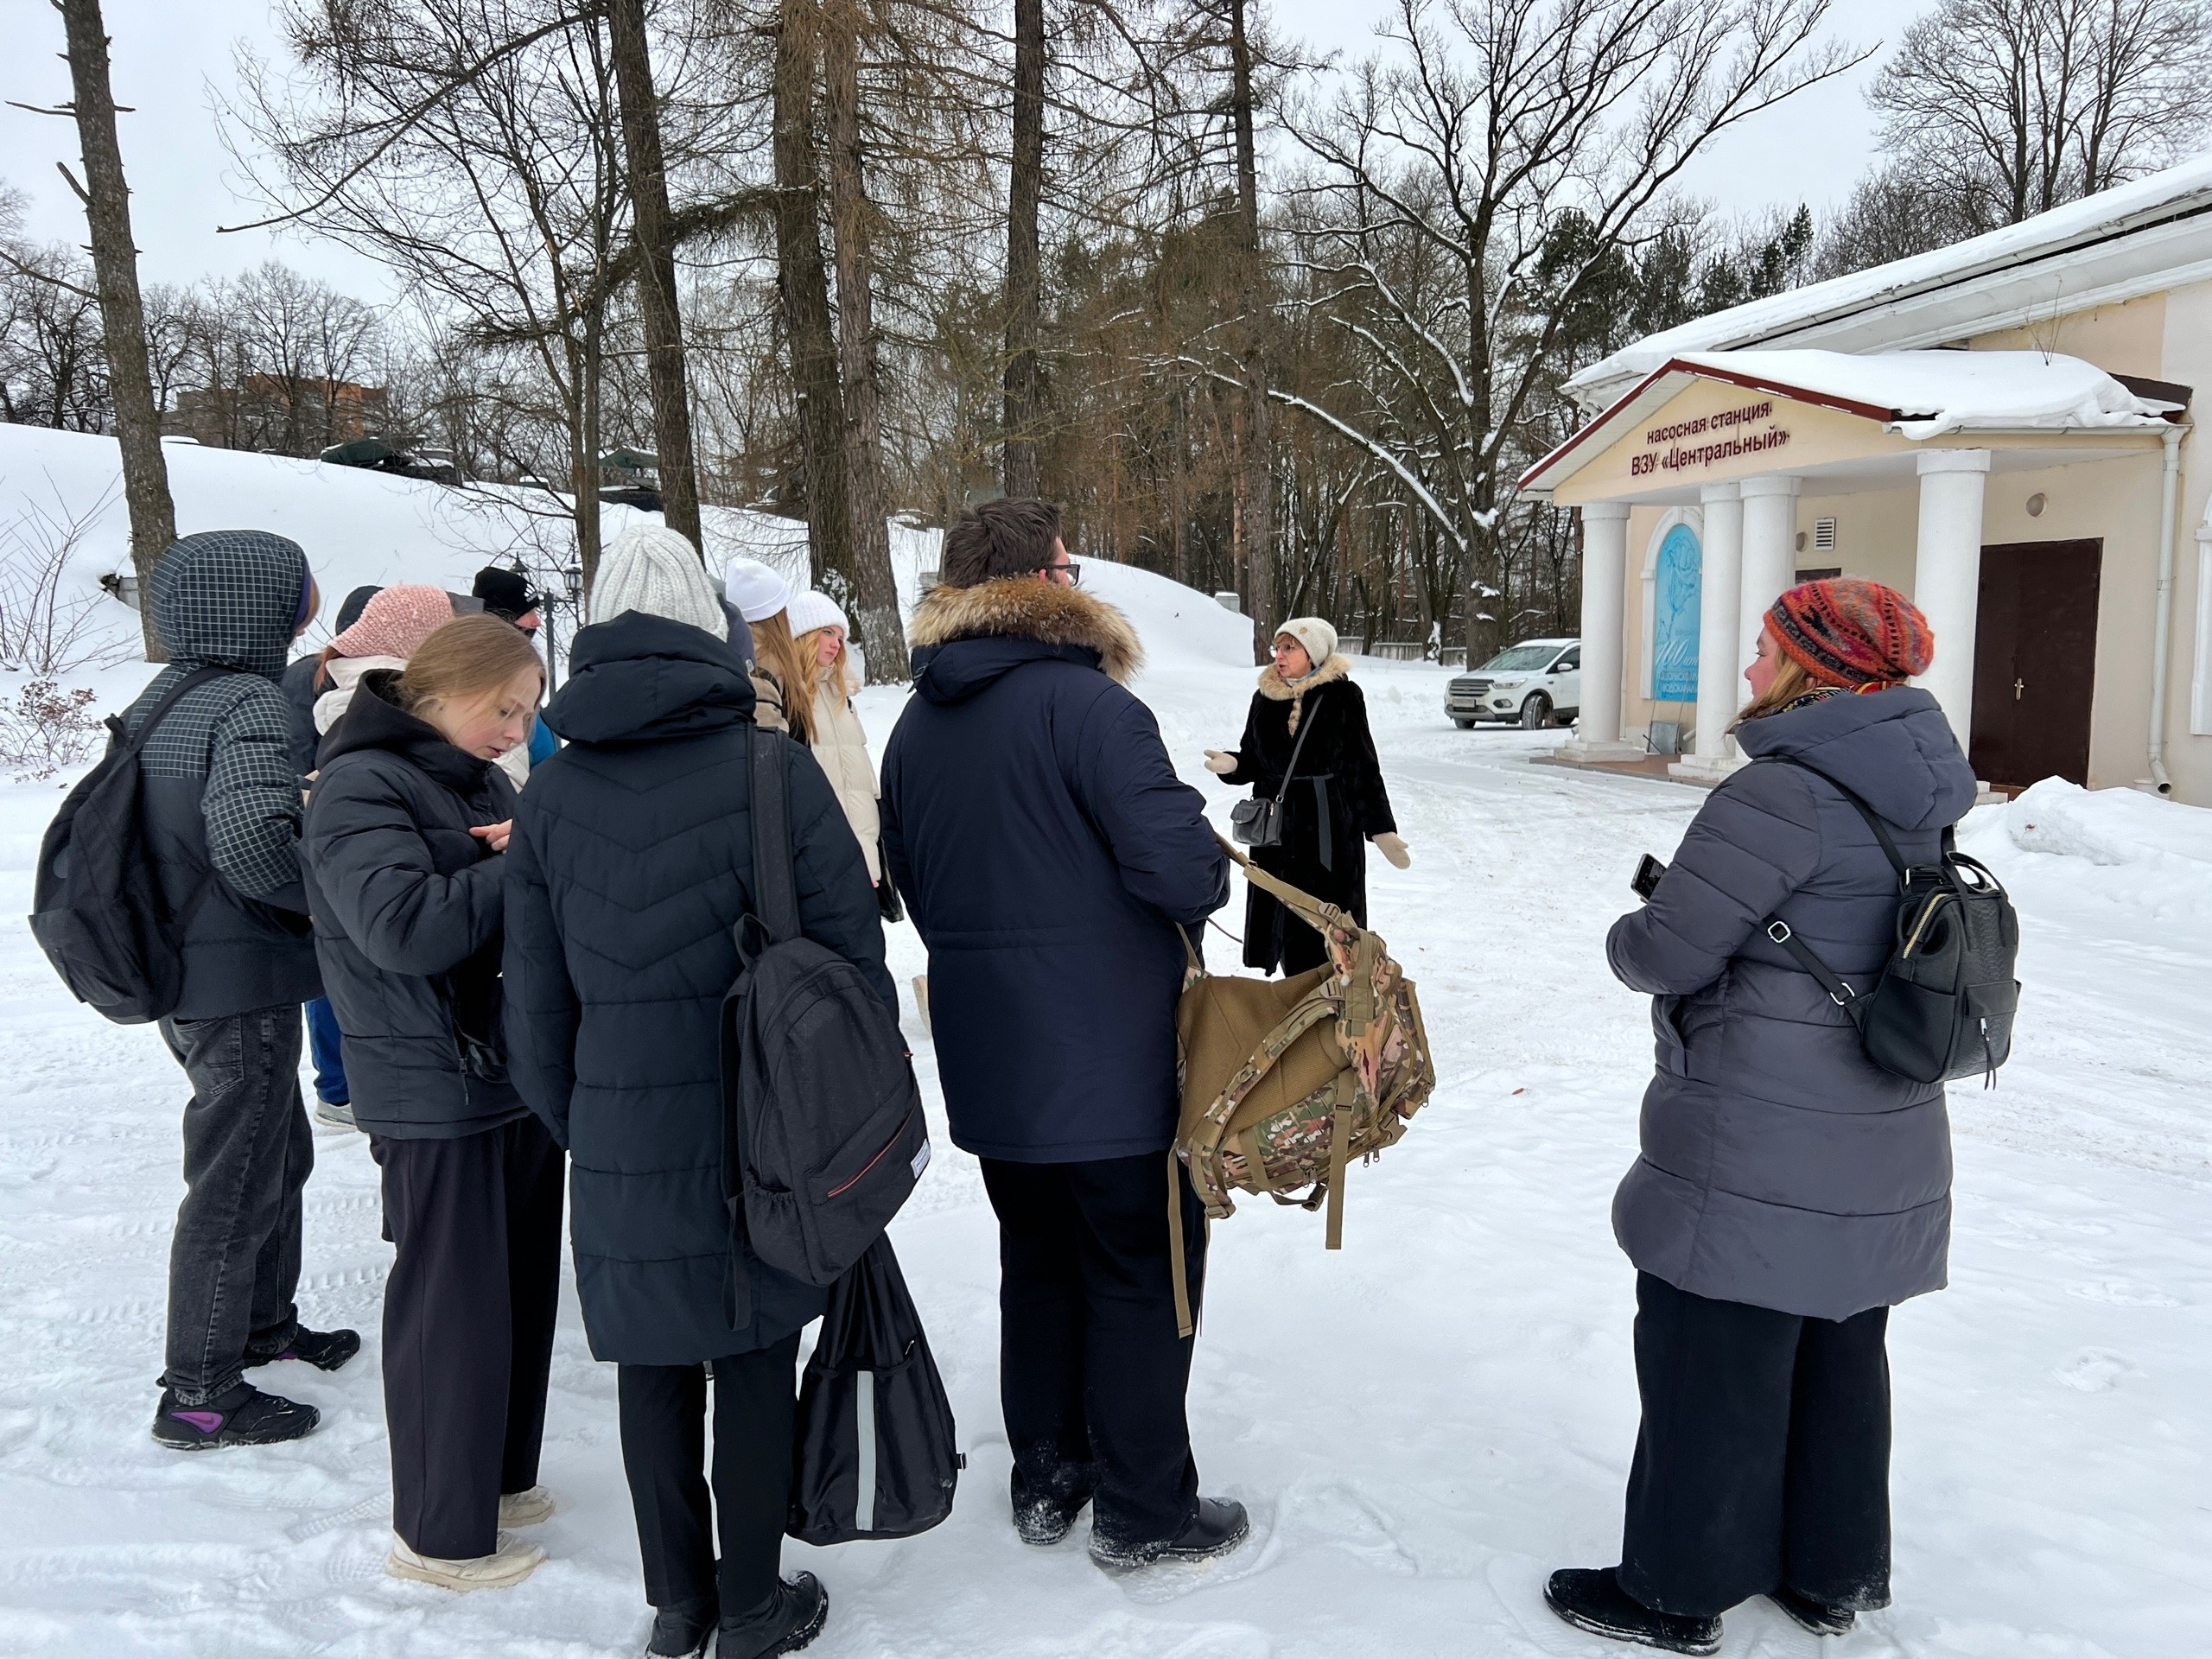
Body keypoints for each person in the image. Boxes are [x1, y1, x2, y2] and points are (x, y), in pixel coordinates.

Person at [1546, 579, 1975, 1656]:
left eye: (1762, 650)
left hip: (1760, 1129)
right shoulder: (1920, 785)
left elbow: (1667, 950)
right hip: (1882, 1116)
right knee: (1840, 1351)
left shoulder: (1780, 792)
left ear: (1809, 668)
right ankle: (1828, 1573)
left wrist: (1626, 928)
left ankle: (1673, 1591)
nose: (1746, 669)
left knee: (1712, 1356)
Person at [505, 525, 889, 1658]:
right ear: (710, 634)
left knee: (653, 1365)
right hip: (762, 1125)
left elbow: (531, 1008)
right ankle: (754, 1604)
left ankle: (680, 1606)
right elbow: (853, 962)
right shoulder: (774, 769)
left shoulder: (550, 795)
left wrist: (592, 1126)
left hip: (621, 1132)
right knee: (755, 1356)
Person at [879, 498, 1236, 1572]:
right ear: (1040, 584)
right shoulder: (1091, 709)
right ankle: (1144, 1508)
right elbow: (1184, 871)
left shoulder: (915, 722)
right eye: (1070, 566)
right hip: (1112, 1058)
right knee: (1140, 1269)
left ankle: (1048, 1474)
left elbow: (912, 881)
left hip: (992, 1055)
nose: (1081, 582)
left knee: (1036, 1263)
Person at [302, 613, 562, 1591]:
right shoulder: (360, 783)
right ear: (444, 689)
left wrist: (513, 850)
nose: (514, 729)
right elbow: (405, 927)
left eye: (527, 713)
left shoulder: (477, 778)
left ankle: (496, 1479)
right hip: (428, 1076)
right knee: (450, 1303)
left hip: (503, 1065)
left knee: (517, 1290)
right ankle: (439, 1535)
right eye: (505, 708)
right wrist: (511, 863)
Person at [123, 530, 358, 1452]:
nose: (307, 604)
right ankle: (201, 1391)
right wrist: (335, 901)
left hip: (184, 971)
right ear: (256, 601)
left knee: (278, 1152)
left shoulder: (166, 696)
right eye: (299, 589)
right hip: (236, 980)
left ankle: (264, 1324)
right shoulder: (248, 704)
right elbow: (258, 849)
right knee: (232, 1177)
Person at [1204, 618, 1408, 976]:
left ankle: (1337, 1006)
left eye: (1289, 648)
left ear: (1313, 654)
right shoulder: (1264, 697)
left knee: (1330, 927)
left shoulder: (1343, 696)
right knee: (1283, 922)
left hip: (1327, 830)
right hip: (1276, 832)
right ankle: (1294, 1000)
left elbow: (1363, 766)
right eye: (1277, 648)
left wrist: (1381, 830)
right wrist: (1232, 763)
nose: (1279, 656)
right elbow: (1253, 758)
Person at [281, 582, 378, 1129]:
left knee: (330, 961)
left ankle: (336, 1085)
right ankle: (339, 1087)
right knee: (340, 959)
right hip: (331, 826)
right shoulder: (348, 680)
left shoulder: (304, 672)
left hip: (310, 826)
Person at [785, 588, 885, 891]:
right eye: (827, 632)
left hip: (861, 860)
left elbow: (860, 785)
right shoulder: (788, 698)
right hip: (821, 866)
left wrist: (870, 857)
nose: (836, 644)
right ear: (803, 634)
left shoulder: (842, 695)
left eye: (840, 637)